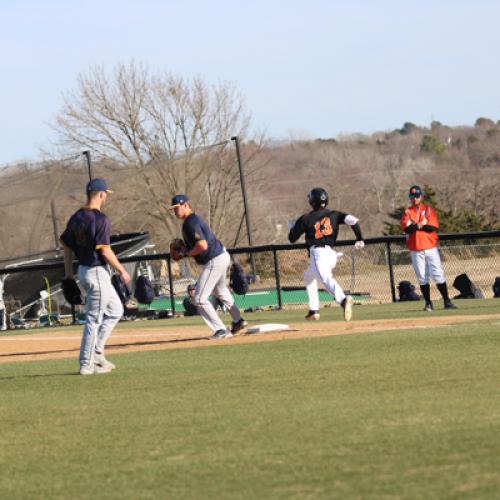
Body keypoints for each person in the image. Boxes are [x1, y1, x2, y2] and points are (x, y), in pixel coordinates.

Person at [60, 178, 131, 375]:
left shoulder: (76, 217)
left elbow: (65, 245)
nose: (105, 197)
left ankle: (97, 353)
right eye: (105, 194)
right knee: (93, 318)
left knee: (116, 310)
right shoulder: (100, 219)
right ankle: (86, 363)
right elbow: (105, 251)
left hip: (83, 270)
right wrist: (122, 270)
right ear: (101, 194)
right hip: (97, 271)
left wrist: (68, 275)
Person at [170, 194, 247, 339]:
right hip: (221, 255)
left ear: (186, 205)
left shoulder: (190, 223)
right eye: (173, 209)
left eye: (177, 208)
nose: (175, 211)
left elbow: (202, 245)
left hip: (215, 259)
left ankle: (221, 330)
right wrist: (185, 250)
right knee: (220, 290)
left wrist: (185, 253)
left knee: (198, 298)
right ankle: (238, 320)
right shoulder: (193, 219)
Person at [288, 187, 365, 321]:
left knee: (325, 278)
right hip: (331, 254)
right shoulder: (334, 214)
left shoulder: (306, 218)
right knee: (308, 277)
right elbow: (353, 220)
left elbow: (292, 238)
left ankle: (343, 300)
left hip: (318, 254)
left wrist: (293, 227)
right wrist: (360, 238)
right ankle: (313, 310)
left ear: (312, 201)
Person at [400, 185, 457, 311]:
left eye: (416, 196)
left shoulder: (428, 209)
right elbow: (407, 229)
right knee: (422, 277)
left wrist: (416, 226)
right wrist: (421, 224)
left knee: (438, 274)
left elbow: (433, 228)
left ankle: (447, 301)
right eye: (412, 196)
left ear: (421, 196)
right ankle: (428, 303)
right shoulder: (407, 212)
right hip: (416, 249)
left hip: (430, 247)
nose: (414, 198)